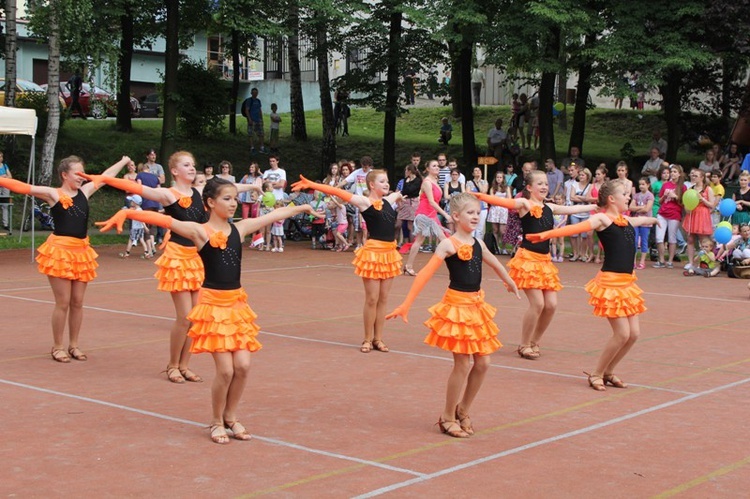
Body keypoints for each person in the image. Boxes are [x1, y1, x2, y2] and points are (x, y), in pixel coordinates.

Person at [97, 177, 322, 443]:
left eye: (234, 199)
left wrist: (301, 208)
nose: (233, 204)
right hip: (213, 306)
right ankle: (216, 421)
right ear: (211, 202)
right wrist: (127, 211)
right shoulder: (199, 231)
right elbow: (166, 221)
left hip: (236, 306)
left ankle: (231, 416)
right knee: (225, 370)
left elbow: (275, 214)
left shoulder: (241, 229)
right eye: (227, 199)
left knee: (243, 365)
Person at [79, 151, 258, 383]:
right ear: (174, 171)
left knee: (196, 318)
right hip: (178, 258)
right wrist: (103, 179)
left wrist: (253, 187)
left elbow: (229, 188)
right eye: (186, 165)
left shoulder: (201, 192)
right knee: (184, 317)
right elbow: (136, 189)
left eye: (193, 164)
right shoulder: (167, 194)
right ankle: (172, 365)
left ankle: (185, 365)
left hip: (199, 258)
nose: (192, 168)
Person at [386, 193, 520, 438]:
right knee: (462, 363)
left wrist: (509, 280)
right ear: (456, 216)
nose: (476, 217)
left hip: (477, 307)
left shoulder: (478, 243)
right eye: (470, 213)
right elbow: (425, 274)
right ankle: (447, 416)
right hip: (457, 308)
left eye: (478, 213)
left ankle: (463, 409)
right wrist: (405, 304)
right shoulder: (448, 244)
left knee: (484, 362)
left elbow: (495, 264)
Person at [526, 179, 657, 391]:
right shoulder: (602, 220)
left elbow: (640, 221)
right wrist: (546, 234)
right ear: (612, 199)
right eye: (625, 194)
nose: (629, 197)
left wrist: (652, 219)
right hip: (611, 284)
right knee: (622, 333)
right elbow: (575, 228)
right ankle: (596, 373)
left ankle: (608, 371)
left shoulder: (625, 221)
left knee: (633, 335)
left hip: (627, 284)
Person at [0, 155, 131, 362]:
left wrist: (123, 161)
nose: (81, 177)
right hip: (60, 251)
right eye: (77, 173)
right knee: (63, 302)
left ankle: (74, 345)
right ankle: (57, 346)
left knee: (78, 302)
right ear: (64, 174)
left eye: (82, 173)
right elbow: (22, 187)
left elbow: (106, 177)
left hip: (81, 251)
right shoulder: (53, 194)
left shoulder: (85, 192)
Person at [472, 170, 596, 359]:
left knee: (551, 305)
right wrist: (478, 195)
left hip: (545, 262)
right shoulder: (524, 204)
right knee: (537, 304)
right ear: (529, 187)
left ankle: (534, 341)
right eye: (540, 184)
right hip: (528, 259)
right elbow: (505, 202)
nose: (545, 186)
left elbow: (574, 210)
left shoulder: (551, 208)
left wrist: (596, 205)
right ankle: (523, 344)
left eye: (546, 183)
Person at [292, 170, 404, 354]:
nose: (386, 183)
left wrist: (401, 194)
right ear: (371, 185)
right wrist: (313, 185)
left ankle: (379, 338)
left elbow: (400, 194)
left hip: (389, 253)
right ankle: (367, 339)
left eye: (387, 180)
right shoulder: (364, 201)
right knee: (372, 299)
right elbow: (337, 192)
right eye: (382, 181)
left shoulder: (389, 201)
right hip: (373, 254)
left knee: (384, 298)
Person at [404, 160, 451, 276]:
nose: (437, 168)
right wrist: (445, 214)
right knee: (420, 240)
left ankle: (455, 266)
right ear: (428, 169)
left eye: (437, 166)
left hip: (432, 214)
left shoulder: (436, 181)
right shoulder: (427, 182)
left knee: (444, 239)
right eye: (434, 166)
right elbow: (431, 201)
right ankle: (408, 266)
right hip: (424, 214)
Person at [653, 164, 686, 269]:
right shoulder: (666, 185)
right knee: (659, 237)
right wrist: (664, 196)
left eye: (675, 172)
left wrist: (675, 197)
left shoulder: (682, 187)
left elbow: (683, 203)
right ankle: (661, 259)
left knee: (672, 238)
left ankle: (670, 261)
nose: (672, 174)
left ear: (679, 174)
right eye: (672, 171)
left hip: (674, 214)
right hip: (662, 213)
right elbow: (660, 201)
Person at [682, 169, 715, 272]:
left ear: (702, 177)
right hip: (692, 214)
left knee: (703, 240)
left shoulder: (707, 189)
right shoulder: (690, 189)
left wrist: (702, 199)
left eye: (696, 175)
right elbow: (687, 204)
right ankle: (691, 262)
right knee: (690, 239)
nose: (693, 177)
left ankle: (704, 262)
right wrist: (687, 208)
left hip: (702, 215)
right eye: (692, 175)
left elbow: (712, 205)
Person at [339, 156, 374, 249]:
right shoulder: (357, 172)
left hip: (369, 201)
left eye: (366, 167)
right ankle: (359, 244)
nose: (364, 168)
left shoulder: (372, 174)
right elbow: (346, 180)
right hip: (359, 201)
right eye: (363, 166)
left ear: (370, 166)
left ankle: (368, 244)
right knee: (358, 225)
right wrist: (336, 187)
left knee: (368, 226)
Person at [629, 177, 654, 270]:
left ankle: (642, 261)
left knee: (644, 241)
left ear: (648, 185)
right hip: (636, 220)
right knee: (634, 240)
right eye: (640, 184)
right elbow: (631, 207)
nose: (641, 186)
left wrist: (638, 207)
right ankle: (633, 261)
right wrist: (641, 207)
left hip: (645, 221)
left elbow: (647, 209)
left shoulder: (650, 196)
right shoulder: (636, 195)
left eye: (643, 184)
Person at [119, 195, 151, 259]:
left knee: (131, 239)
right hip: (140, 228)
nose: (130, 202)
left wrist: (145, 227)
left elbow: (141, 219)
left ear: (135, 202)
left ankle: (127, 253)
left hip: (135, 228)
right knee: (141, 239)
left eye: (132, 201)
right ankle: (146, 253)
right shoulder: (139, 209)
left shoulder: (137, 211)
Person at [487, 170, 511, 254]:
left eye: (500, 177)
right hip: (494, 210)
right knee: (495, 230)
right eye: (497, 177)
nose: (499, 179)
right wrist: (501, 201)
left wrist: (498, 201)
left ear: (503, 178)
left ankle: (503, 247)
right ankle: (497, 247)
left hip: (503, 210)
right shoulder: (492, 188)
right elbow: (491, 200)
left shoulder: (507, 188)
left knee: (502, 231)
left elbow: (509, 199)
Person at [242, 88, 266, 154]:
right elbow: (246, 110)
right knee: (251, 134)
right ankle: (252, 148)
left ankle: (262, 147)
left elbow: (259, 110)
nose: (255, 94)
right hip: (252, 119)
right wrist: (249, 119)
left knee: (261, 134)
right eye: (254, 93)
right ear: (251, 93)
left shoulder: (258, 101)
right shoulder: (249, 101)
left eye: (256, 93)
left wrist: (261, 119)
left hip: (258, 120)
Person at [443, 168, 464, 234]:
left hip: (459, 207)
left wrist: (452, 195)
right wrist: (456, 195)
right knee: (450, 227)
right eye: (453, 174)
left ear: (458, 175)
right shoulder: (447, 184)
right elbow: (446, 196)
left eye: (456, 174)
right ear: (451, 175)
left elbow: (464, 195)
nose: (454, 176)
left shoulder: (461, 184)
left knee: (458, 228)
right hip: (449, 207)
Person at [550, 193, 567, 262]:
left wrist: (558, 225)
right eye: (556, 199)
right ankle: (554, 255)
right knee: (554, 242)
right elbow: (551, 217)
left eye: (559, 199)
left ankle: (561, 256)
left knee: (561, 241)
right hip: (554, 227)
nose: (558, 201)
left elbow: (565, 219)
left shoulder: (564, 208)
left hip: (561, 227)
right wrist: (553, 225)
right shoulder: (553, 208)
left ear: (563, 200)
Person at [0, 152, 12, 230]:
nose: (0, 158)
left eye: (1, 156)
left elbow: (10, 177)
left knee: (5, 205)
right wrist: (2, 177)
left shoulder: (4, 166)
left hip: (5, 187)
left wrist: (4, 178)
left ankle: (6, 224)